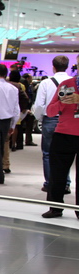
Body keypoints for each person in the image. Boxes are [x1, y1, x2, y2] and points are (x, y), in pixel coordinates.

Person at [41, 57, 79, 219]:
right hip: (63, 134)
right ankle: (55, 207)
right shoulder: (67, 84)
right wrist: (61, 103)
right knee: (57, 174)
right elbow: (50, 111)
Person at [33, 55, 72, 195]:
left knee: (48, 154)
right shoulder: (71, 82)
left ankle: (50, 183)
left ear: (53, 67)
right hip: (66, 121)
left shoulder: (46, 83)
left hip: (49, 120)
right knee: (65, 154)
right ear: (67, 66)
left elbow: (39, 105)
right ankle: (65, 184)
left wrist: (39, 118)